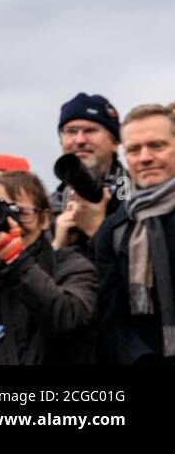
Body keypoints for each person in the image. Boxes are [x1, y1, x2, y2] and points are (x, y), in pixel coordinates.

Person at [0, 170, 95, 364]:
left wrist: (16, 261)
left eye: (21, 213)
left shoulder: (71, 265)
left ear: (44, 219)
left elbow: (68, 318)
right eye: (0, 211)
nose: (11, 222)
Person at [94, 104, 175, 364]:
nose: (145, 157)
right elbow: (111, 316)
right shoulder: (115, 228)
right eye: (134, 149)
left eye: (157, 145)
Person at [52, 93, 127, 257]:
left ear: (115, 142)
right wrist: (58, 248)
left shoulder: (136, 196)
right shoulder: (49, 206)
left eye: (90, 130)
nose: (79, 140)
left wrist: (97, 231)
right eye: (71, 131)